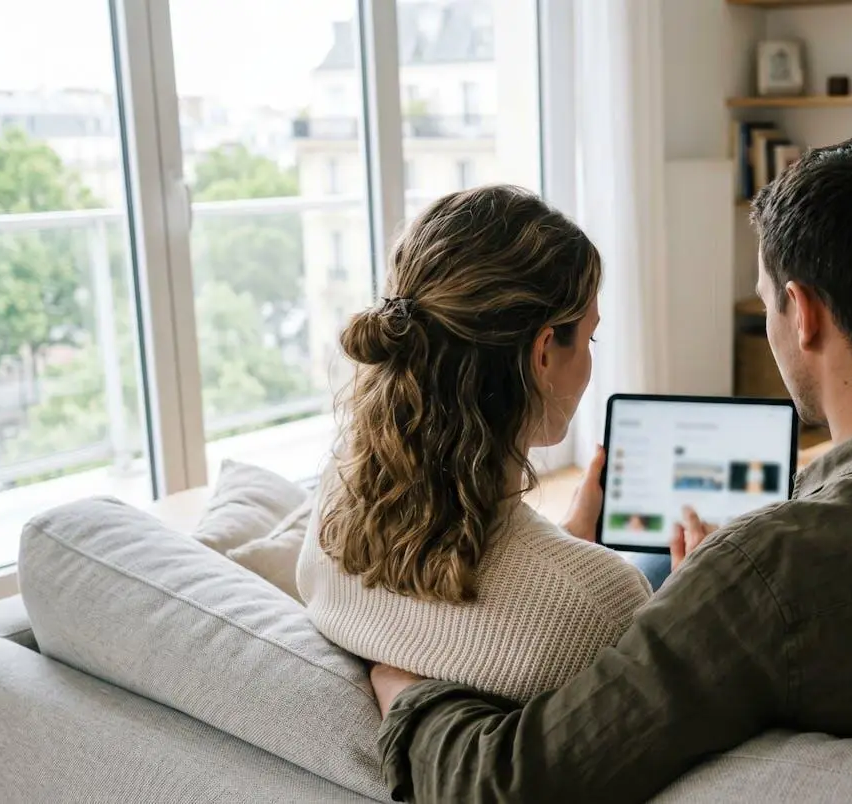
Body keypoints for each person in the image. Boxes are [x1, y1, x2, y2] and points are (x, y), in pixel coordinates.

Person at [371, 139, 852, 802]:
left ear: (802, 314)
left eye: (769, 303)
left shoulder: (764, 572)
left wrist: (403, 687)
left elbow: (505, 785)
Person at [296, 185, 710, 704]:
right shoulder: (601, 602)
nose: (590, 358)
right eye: (589, 340)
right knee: (663, 566)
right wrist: (692, 601)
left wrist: (569, 542)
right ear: (542, 354)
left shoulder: (332, 510)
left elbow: (459, 613)